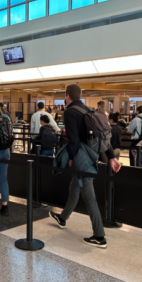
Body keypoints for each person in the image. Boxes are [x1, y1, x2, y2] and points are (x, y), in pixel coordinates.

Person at [49, 84, 121, 249]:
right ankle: (62, 218)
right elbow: (103, 136)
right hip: (92, 157)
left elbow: (73, 140)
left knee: (89, 197)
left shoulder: (70, 112)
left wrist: (71, 159)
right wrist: (110, 157)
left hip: (81, 159)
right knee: (75, 186)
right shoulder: (89, 110)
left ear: (67, 96)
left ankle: (99, 236)